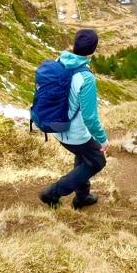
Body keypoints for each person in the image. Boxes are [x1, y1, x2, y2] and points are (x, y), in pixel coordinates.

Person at [39, 28, 108, 210]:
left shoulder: (59, 62)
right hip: (76, 135)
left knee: (83, 158)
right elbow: (90, 118)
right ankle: (53, 192)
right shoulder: (85, 78)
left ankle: (82, 197)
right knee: (98, 161)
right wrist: (102, 139)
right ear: (93, 50)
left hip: (56, 128)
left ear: (74, 46)